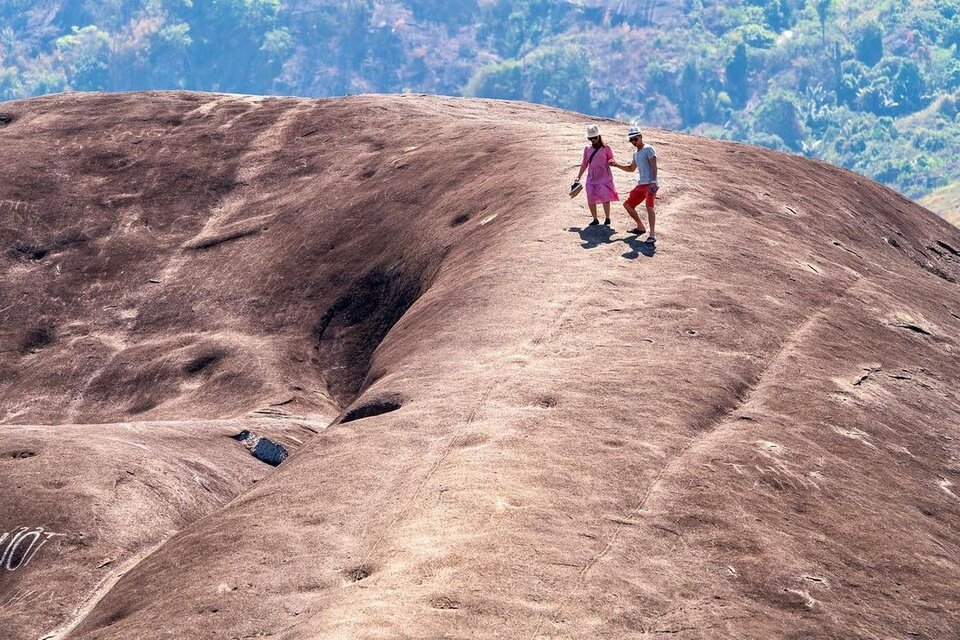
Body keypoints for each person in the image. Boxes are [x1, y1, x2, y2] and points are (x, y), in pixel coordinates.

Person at [611, 126, 659, 243]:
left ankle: (652, 234)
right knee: (628, 205)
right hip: (641, 184)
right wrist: (616, 165)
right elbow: (631, 168)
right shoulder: (635, 154)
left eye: (635, 139)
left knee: (649, 207)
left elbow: (654, 165)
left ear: (641, 136)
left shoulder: (648, 149)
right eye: (631, 140)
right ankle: (640, 227)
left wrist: (653, 182)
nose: (633, 142)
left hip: (650, 184)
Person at [574, 124, 619, 226]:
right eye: (591, 138)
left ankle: (607, 218)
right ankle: (595, 219)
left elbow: (610, 159)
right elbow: (584, 163)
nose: (593, 139)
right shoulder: (587, 149)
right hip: (592, 176)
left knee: (605, 197)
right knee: (590, 197)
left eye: (594, 137)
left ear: (599, 136)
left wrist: (612, 161)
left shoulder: (606, 148)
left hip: (604, 176)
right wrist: (578, 177)